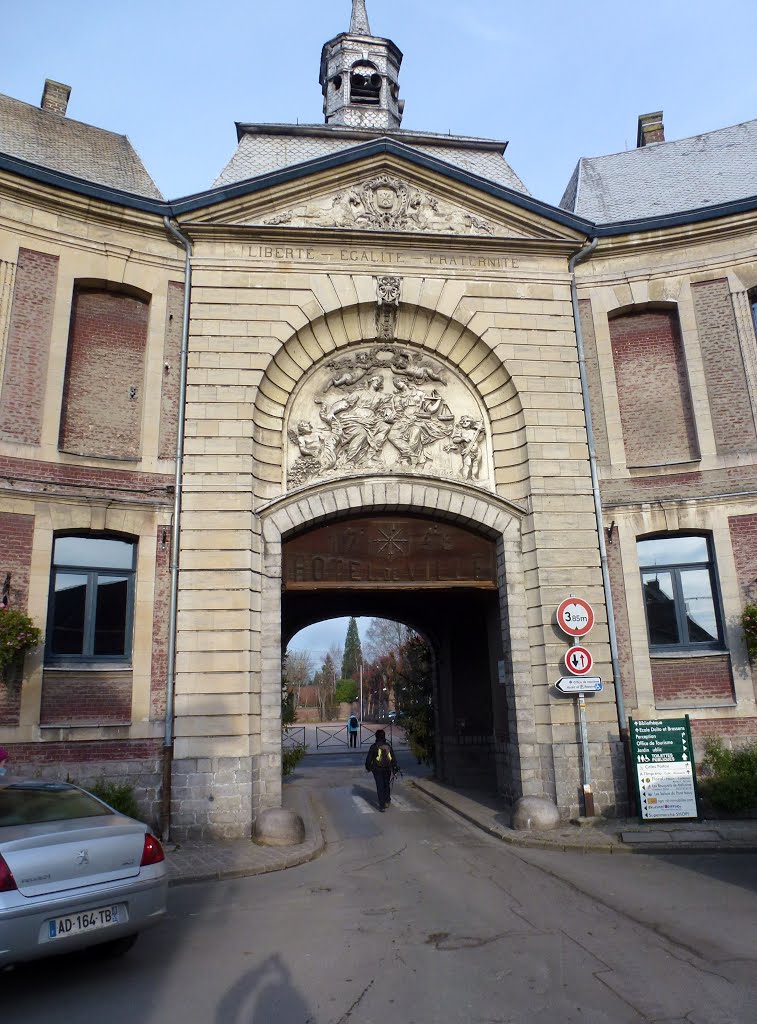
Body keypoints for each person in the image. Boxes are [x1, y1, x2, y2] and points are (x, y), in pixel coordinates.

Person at [365, 729, 398, 811]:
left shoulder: (373, 746)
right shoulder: (388, 746)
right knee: (386, 784)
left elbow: (368, 759)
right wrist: (394, 767)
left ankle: (382, 805)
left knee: (380, 786)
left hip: (377, 769)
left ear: (376, 736)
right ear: (384, 736)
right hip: (387, 768)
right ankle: (387, 800)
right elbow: (393, 758)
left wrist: (368, 767)